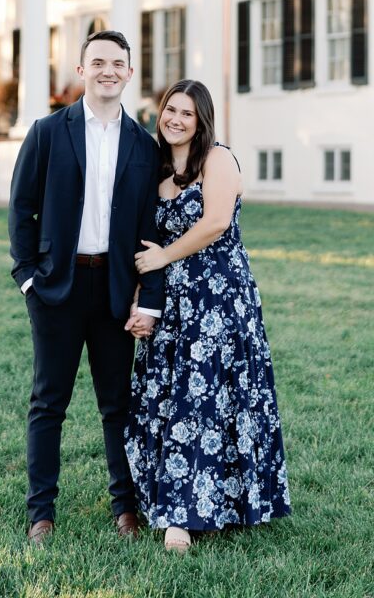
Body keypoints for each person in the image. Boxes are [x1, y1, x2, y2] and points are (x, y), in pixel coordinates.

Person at [8, 30, 165, 545]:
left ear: (129, 72)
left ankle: (125, 508)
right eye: (97, 62)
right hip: (57, 286)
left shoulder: (145, 145)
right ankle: (41, 515)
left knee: (117, 404)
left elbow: (152, 231)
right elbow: (21, 208)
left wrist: (150, 298)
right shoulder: (49, 132)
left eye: (117, 63)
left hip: (116, 291)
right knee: (48, 402)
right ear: (81, 70)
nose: (108, 71)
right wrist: (28, 276)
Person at [125, 79, 291, 552]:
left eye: (187, 113)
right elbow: (142, 243)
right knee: (167, 397)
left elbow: (216, 222)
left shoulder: (218, 158)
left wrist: (163, 257)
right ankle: (178, 500)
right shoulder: (155, 167)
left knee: (205, 400)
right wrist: (144, 296)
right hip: (173, 303)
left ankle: (188, 516)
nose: (175, 119)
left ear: (202, 121)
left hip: (219, 297)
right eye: (170, 110)